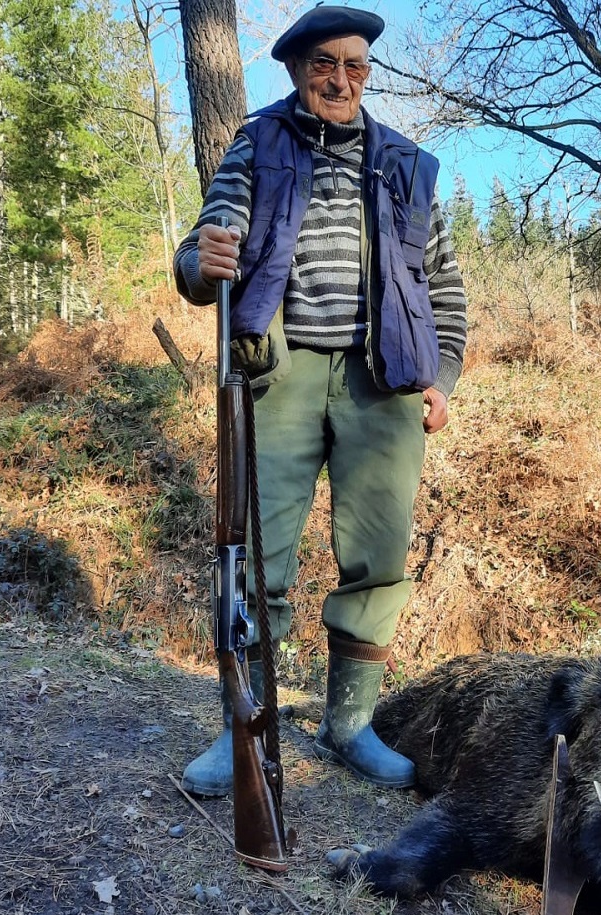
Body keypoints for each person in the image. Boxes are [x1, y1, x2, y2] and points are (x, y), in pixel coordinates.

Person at [173, 6, 467, 795]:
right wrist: (206, 261)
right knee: (254, 557)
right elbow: (199, 251)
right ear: (298, 68)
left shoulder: (406, 163)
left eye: (356, 66)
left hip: (386, 379)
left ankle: (349, 725)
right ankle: (243, 724)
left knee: (375, 560)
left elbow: (443, 285)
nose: (342, 79)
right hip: (282, 372)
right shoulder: (259, 143)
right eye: (325, 64)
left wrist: (445, 376)